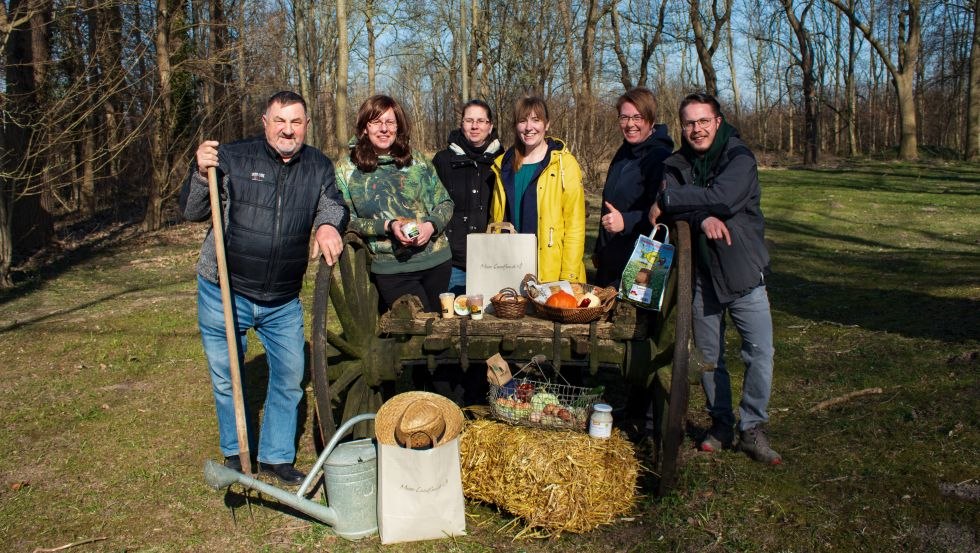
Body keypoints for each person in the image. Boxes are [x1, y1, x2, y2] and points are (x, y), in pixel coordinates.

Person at [179, 91, 349, 484]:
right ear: (265, 122)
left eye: (296, 122)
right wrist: (199, 171)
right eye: (280, 121)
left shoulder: (318, 167)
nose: (288, 130)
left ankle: (275, 457)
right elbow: (191, 211)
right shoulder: (234, 158)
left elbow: (333, 205)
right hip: (225, 289)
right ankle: (237, 453)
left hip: (281, 298)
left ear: (307, 125)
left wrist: (327, 224)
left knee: (290, 375)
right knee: (227, 375)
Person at [649, 92, 781, 465]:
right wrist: (700, 217)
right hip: (702, 276)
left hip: (742, 271)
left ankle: (753, 427)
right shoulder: (675, 163)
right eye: (690, 123)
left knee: (759, 353)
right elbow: (673, 218)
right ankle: (720, 423)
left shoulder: (738, 157)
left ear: (718, 122)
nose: (697, 129)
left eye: (703, 121)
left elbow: (723, 198)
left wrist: (677, 201)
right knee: (708, 356)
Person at [335, 94, 454, 312]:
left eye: (390, 122)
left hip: (436, 261)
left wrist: (430, 226)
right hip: (391, 267)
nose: (384, 129)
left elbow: (445, 202)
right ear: (364, 128)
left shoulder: (417, 160)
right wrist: (387, 226)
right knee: (418, 332)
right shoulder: (347, 169)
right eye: (376, 122)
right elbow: (347, 220)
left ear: (398, 127)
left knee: (438, 332)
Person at [490, 96, 585, 283]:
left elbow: (575, 227)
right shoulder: (503, 166)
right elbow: (497, 219)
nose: (528, 127)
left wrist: (569, 278)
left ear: (547, 124)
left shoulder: (565, 165)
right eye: (522, 120)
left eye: (536, 120)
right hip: (510, 268)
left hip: (552, 272)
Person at [594, 87, 674, 287]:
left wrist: (626, 221)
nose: (630, 124)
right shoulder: (625, 151)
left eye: (637, 117)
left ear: (651, 120)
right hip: (611, 259)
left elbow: (663, 212)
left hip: (638, 266)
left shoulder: (659, 158)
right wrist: (599, 250)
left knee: (627, 318)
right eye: (624, 117)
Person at [432, 99, 502, 294]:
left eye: (481, 121)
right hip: (453, 260)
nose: (474, 126)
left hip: (493, 261)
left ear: (490, 126)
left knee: (492, 321)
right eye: (469, 120)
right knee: (452, 319)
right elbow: (430, 205)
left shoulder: (504, 161)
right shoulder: (443, 161)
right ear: (461, 124)